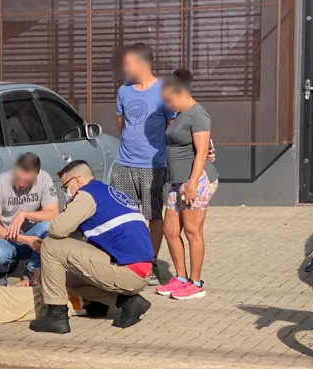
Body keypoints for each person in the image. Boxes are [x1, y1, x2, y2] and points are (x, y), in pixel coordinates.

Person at [29, 160, 154, 334]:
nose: (66, 192)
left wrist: (66, 209)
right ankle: (126, 302)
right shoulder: (106, 193)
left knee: (50, 245)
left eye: (66, 187)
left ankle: (56, 316)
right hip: (139, 270)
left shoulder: (86, 195)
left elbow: (57, 229)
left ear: (78, 180)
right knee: (69, 277)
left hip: (128, 271)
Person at [110, 43, 176, 286]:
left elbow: (175, 127)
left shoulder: (164, 92)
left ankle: (151, 262)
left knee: (153, 217)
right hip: (123, 164)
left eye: (128, 63)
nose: (124, 68)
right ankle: (128, 262)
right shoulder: (124, 91)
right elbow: (122, 124)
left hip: (153, 166)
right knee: (126, 216)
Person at [155, 69, 219, 300]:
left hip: (196, 180)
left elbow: (202, 152)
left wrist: (192, 184)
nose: (167, 103)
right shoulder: (180, 114)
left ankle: (196, 283)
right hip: (176, 181)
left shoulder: (198, 114)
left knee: (192, 231)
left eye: (169, 99)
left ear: (181, 93)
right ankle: (180, 278)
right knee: (170, 230)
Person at [0, 152, 59, 286]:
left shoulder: (44, 179)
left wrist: (25, 214)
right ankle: (1, 272)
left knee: (50, 226)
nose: (21, 184)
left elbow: (53, 214)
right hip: (2, 236)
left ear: (37, 174)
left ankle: (33, 270)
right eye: (18, 178)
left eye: (27, 181)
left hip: (31, 233)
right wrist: (25, 239)